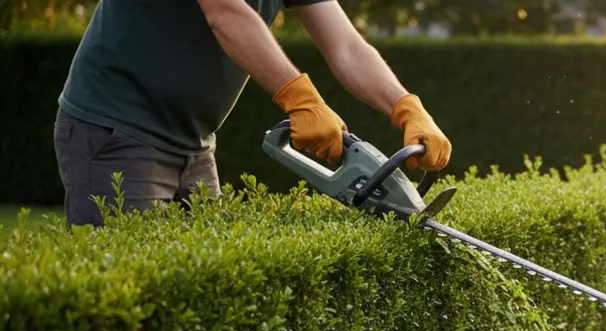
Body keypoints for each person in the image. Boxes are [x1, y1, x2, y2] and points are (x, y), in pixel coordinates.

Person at [53, 0, 452, 227]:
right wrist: (300, 97)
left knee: (199, 307)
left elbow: (345, 45)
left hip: (194, 145)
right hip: (116, 130)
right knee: (129, 309)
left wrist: (406, 107)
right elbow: (225, 12)